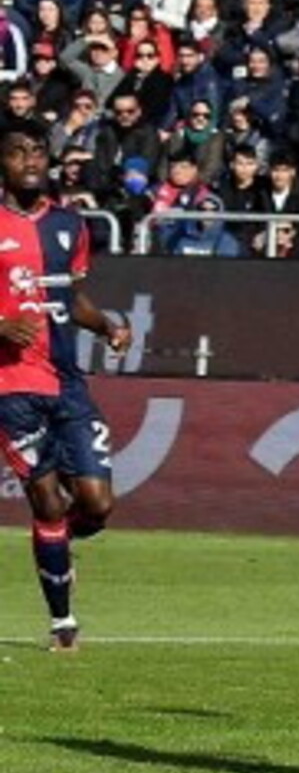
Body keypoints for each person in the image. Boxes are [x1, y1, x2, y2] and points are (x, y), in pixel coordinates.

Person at [0, 120, 132, 650]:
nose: (31, 160)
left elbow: (69, 298)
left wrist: (106, 325)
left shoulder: (70, 225)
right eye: (17, 153)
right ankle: (62, 623)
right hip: (9, 388)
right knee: (48, 503)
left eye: (38, 151)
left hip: (66, 384)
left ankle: (57, 546)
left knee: (97, 504)